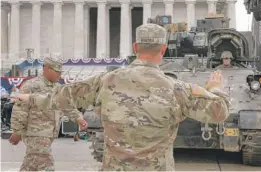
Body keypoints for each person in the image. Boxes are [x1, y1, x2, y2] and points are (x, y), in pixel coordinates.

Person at [12, 23, 232, 171]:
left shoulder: (106, 81)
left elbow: (57, 98)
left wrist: (27, 98)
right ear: (163, 49)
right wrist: (214, 88)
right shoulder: (178, 88)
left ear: (135, 47)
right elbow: (220, 111)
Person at [9, 56, 87, 171]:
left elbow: (67, 105)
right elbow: (20, 109)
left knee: (32, 165)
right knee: (45, 164)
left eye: (60, 72)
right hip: (35, 133)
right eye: (57, 71)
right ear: (47, 69)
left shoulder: (58, 88)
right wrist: (17, 131)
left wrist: (79, 118)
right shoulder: (31, 85)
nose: (59, 74)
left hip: (49, 133)